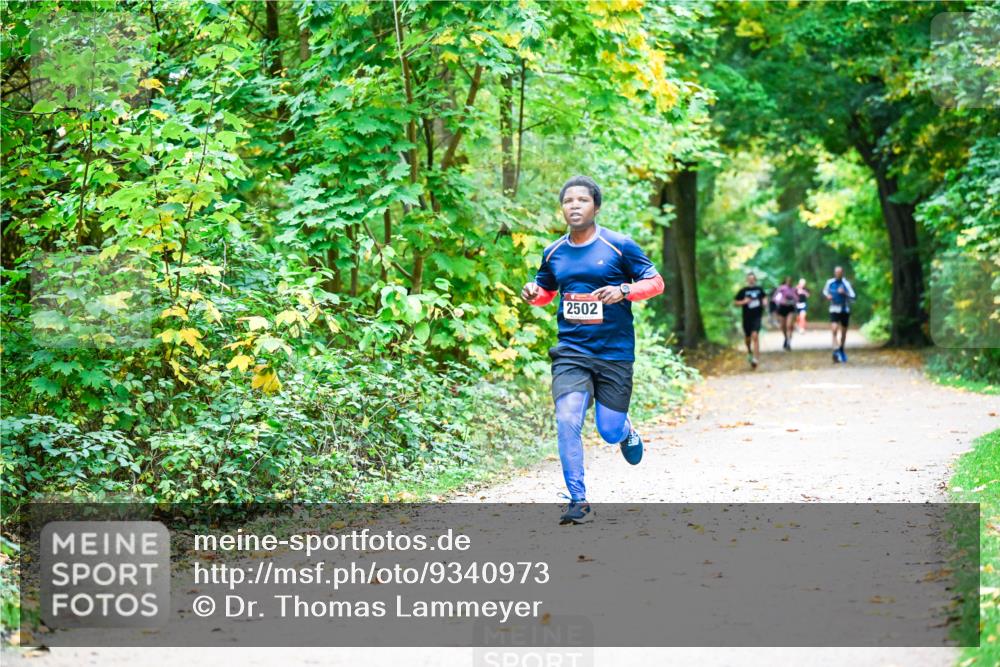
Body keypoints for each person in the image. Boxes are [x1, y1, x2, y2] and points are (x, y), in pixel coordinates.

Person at [520, 175, 664, 525]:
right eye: (568, 201)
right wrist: (532, 294)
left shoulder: (619, 246)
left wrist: (625, 291)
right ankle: (577, 500)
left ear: (595, 207)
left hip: (614, 353)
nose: (574, 205)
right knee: (567, 417)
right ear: (562, 208)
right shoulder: (553, 252)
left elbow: (656, 282)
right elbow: (546, 292)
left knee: (608, 431)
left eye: (582, 200)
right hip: (571, 352)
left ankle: (625, 429)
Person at [823, 266, 856, 363]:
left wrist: (844, 293)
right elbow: (825, 291)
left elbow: (853, 297)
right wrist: (828, 296)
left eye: (840, 272)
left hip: (844, 310)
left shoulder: (846, 283)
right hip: (834, 308)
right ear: (834, 273)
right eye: (836, 272)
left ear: (842, 273)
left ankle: (841, 349)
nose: (838, 274)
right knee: (834, 329)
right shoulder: (830, 282)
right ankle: (835, 350)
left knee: (844, 332)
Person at [733, 272, 766, 369]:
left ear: (755, 280)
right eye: (749, 278)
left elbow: (764, 298)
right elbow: (735, 302)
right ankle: (749, 351)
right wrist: (744, 302)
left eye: (753, 278)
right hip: (747, 317)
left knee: (755, 336)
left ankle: (756, 358)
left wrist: (764, 302)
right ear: (747, 280)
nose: (751, 280)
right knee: (748, 338)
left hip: (757, 316)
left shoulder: (759, 290)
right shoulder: (743, 291)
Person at [773, 276, 798, 350]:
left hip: (790, 308)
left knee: (789, 325)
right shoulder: (781, 288)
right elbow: (775, 298)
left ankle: (789, 342)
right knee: (782, 326)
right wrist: (782, 301)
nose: (789, 282)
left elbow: (797, 298)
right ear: (785, 281)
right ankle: (786, 338)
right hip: (782, 308)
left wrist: (793, 301)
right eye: (788, 280)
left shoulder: (793, 289)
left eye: (790, 281)